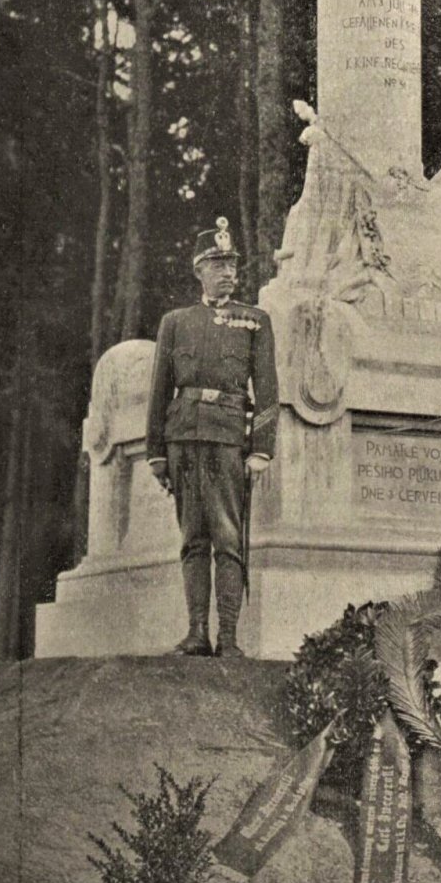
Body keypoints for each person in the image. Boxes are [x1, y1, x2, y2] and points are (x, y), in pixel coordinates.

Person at [146, 218, 279, 658]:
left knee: (228, 537)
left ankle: (229, 638)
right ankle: (197, 633)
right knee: (192, 539)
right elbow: (159, 391)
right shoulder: (175, 323)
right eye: (218, 265)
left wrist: (261, 450)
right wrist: (156, 454)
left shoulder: (254, 321)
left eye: (232, 266)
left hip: (227, 440)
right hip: (183, 437)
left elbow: (268, 390)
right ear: (198, 270)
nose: (228, 273)